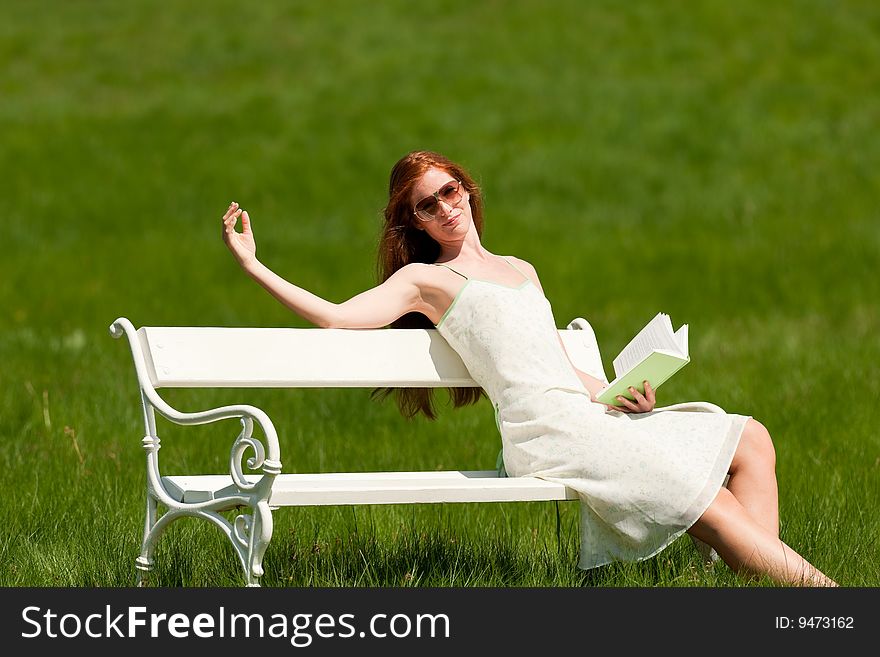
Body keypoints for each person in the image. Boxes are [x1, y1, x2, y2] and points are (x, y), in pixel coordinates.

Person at [221, 150, 837, 587]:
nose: (444, 206)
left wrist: (622, 396)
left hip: (586, 414)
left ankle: (759, 588)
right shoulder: (426, 280)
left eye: (449, 191)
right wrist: (254, 264)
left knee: (750, 437)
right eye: (426, 205)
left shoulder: (521, 267)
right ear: (415, 222)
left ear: (467, 191)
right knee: (708, 501)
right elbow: (336, 318)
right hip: (545, 435)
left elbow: (562, 365)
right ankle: (826, 603)